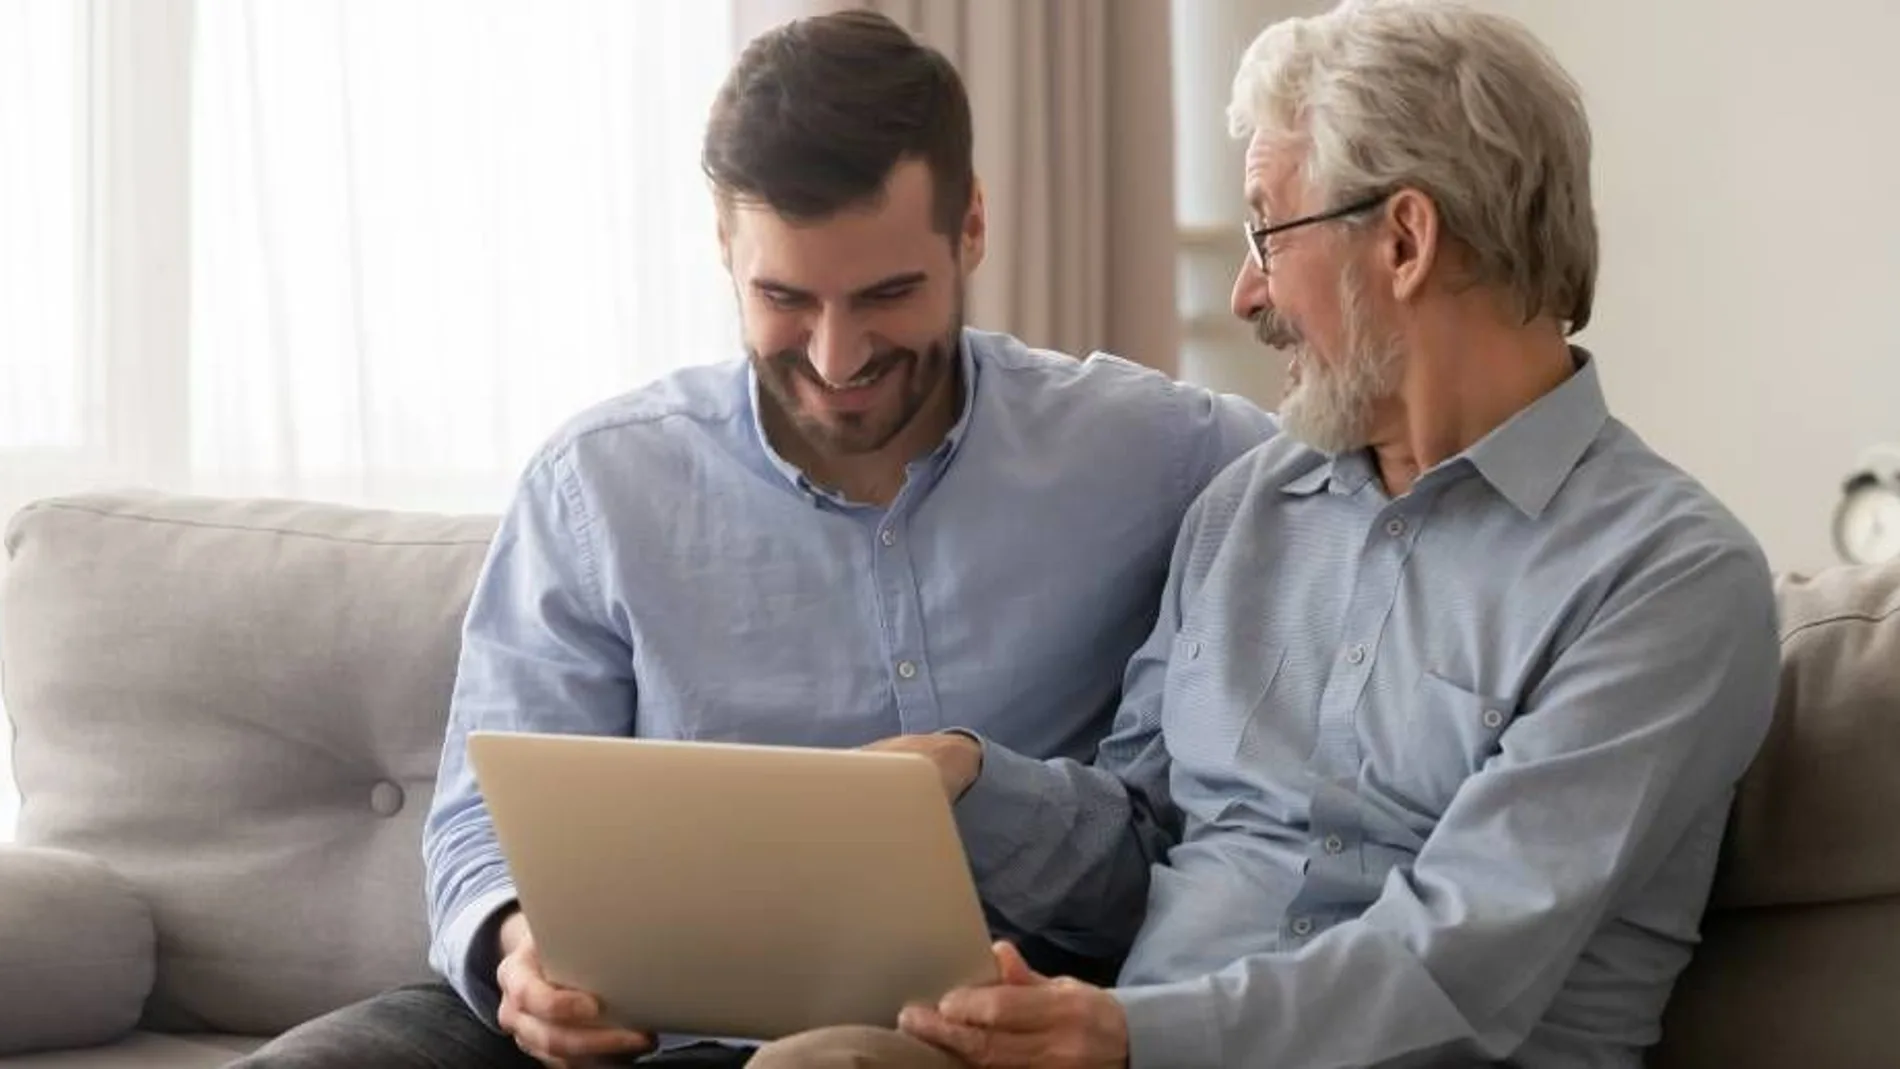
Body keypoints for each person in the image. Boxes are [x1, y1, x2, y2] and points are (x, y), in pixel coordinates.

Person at [231, 10, 1272, 1069]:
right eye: (783, 296)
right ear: (724, 249)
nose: (835, 353)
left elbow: (1371, 508)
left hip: (952, 1029)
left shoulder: (1169, 456)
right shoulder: (596, 483)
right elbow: (477, 832)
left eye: (887, 295)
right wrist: (517, 949)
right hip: (630, 1019)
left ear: (971, 229)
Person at [750, 2, 1781, 1067]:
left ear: (1403, 239)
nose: (1246, 290)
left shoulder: (1665, 577)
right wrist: (967, 781)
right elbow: (1142, 846)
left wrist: (1127, 1031)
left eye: (1263, 228)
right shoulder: (1243, 510)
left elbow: (1462, 961)